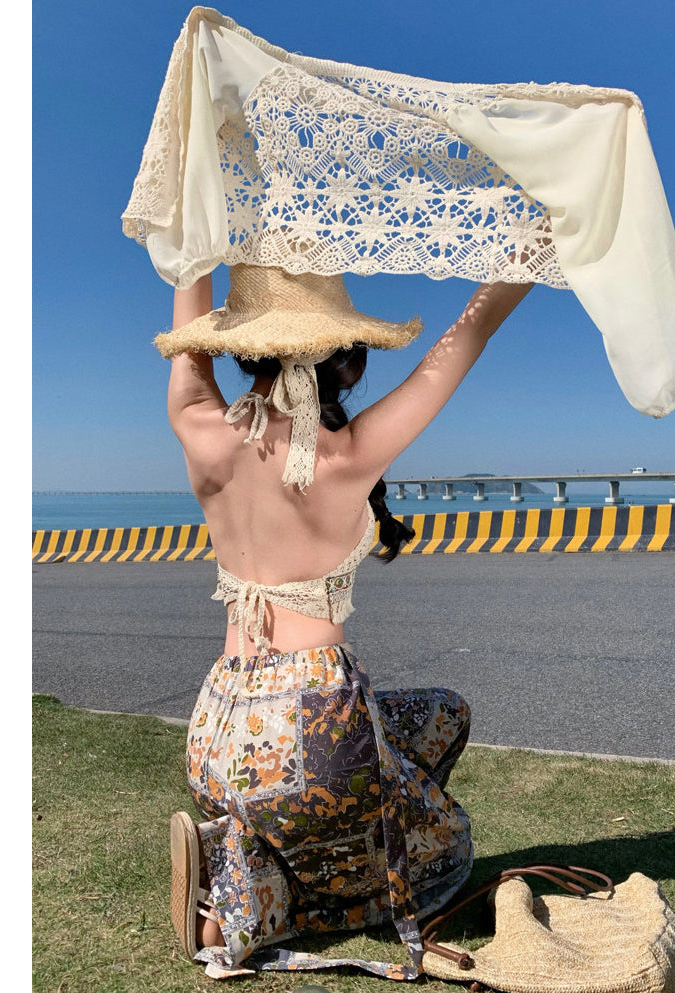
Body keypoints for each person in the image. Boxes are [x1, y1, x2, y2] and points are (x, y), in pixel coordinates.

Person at [164, 262, 533, 980]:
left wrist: (195, 237)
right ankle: (265, 892)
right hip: (315, 734)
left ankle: (243, 870)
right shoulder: (347, 454)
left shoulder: (199, 427)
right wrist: (528, 257)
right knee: (448, 843)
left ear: (240, 347)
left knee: (438, 715)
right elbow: (464, 340)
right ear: (348, 358)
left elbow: (187, 339)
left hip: (217, 733)